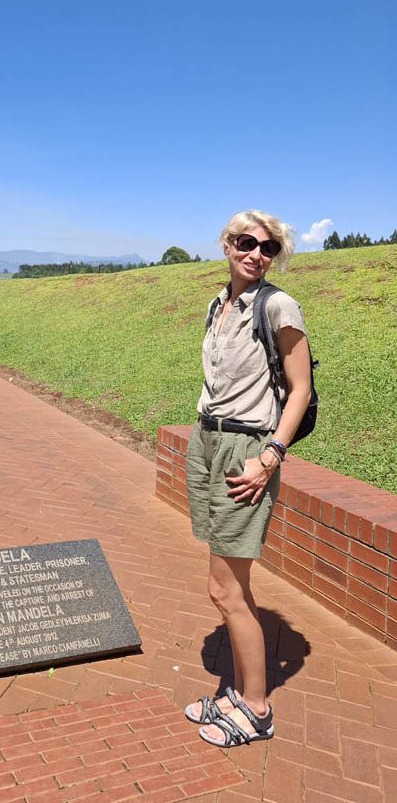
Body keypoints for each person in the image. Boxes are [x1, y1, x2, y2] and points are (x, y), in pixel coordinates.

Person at [183, 210, 312, 748]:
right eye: (246, 242)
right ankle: (236, 694)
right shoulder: (219, 304)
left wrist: (270, 457)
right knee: (234, 586)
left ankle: (256, 709)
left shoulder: (278, 305)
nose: (256, 253)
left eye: (268, 247)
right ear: (227, 244)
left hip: (247, 451)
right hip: (208, 440)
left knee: (223, 589)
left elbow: (300, 390)